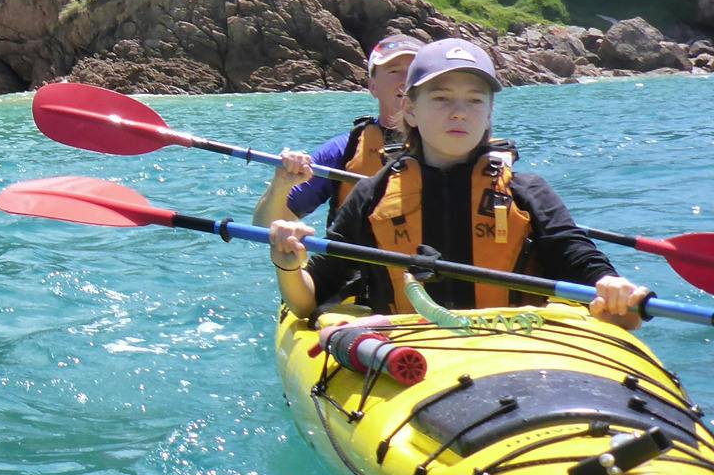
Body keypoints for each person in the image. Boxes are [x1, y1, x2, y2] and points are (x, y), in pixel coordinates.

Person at [268, 38, 650, 327]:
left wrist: (613, 290)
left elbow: (584, 263)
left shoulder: (527, 192)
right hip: (410, 357)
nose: (458, 112)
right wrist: (288, 266)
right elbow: (309, 297)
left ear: (488, 114)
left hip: (512, 348)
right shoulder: (371, 196)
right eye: (441, 98)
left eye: (473, 100)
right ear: (411, 110)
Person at [253, 32, 425, 229]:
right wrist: (280, 185)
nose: (405, 81)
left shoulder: (455, 146)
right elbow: (263, 225)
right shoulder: (343, 150)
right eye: (394, 71)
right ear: (373, 86)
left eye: (414, 72)